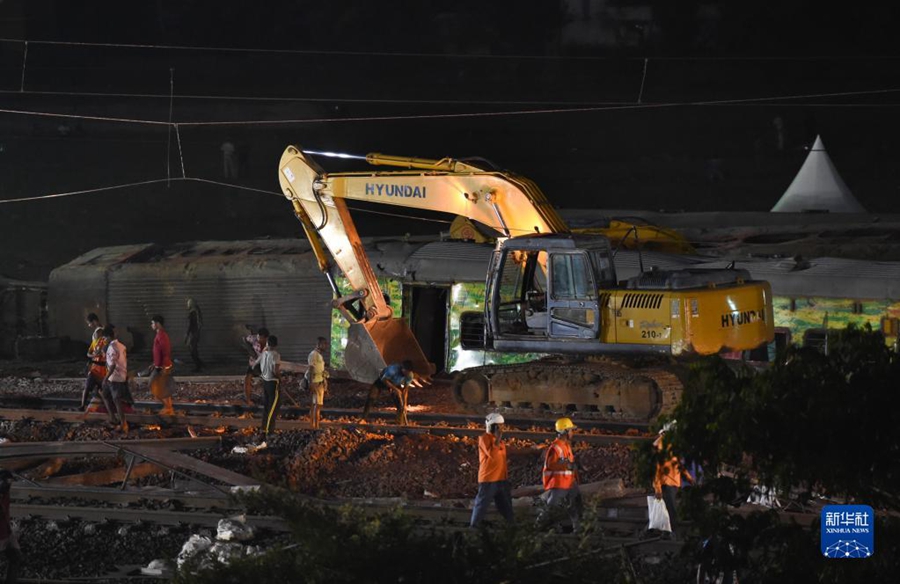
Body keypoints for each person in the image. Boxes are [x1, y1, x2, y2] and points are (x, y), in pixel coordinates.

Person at [537, 417, 583, 532]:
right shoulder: (556, 447)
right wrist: (567, 465)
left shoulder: (566, 446)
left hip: (569, 482)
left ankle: (578, 528)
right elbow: (551, 464)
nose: (572, 433)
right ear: (565, 432)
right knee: (552, 507)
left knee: (575, 505)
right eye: (571, 430)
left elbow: (569, 464)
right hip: (560, 483)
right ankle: (537, 527)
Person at [469, 413, 514, 527]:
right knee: (481, 505)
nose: (503, 428)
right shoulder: (484, 439)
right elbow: (492, 455)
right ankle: (473, 527)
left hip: (501, 479)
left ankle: (512, 527)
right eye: (500, 426)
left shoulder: (499, 442)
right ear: (494, 426)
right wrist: (498, 439)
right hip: (488, 479)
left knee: (506, 506)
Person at [653, 422, 694, 538]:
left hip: (674, 483)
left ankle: (667, 532)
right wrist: (658, 488)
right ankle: (674, 534)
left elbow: (678, 464)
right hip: (666, 483)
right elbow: (656, 470)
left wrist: (688, 477)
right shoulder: (661, 448)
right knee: (672, 511)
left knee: (670, 510)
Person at [142, 315, 175, 416]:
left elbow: (166, 352)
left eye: (152, 323)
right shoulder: (160, 335)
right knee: (163, 388)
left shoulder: (162, 335)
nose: (151, 325)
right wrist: (154, 363)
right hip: (159, 366)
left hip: (162, 367)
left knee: (152, 385)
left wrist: (164, 367)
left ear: (157, 324)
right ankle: (169, 409)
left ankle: (168, 407)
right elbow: (159, 352)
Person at [362, 360, 414, 424]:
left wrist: (405, 403)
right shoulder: (392, 370)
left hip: (395, 384)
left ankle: (399, 422)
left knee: (400, 404)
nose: (406, 374)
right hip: (382, 381)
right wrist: (395, 389)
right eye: (405, 371)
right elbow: (384, 380)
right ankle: (363, 418)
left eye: (408, 372)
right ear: (402, 369)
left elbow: (405, 390)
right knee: (371, 397)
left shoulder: (410, 375)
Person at [102, 325, 130, 434]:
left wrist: (106, 378)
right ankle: (113, 418)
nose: (104, 340)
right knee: (105, 394)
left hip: (114, 378)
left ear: (109, 337)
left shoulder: (111, 348)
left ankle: (124, 424)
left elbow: (112, 365)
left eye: (104, 338)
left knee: (117, 401)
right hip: (120, 375)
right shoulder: (121, 346)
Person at [81, 313, 108, 411]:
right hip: (102, 366)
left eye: (89, 323)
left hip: (97, 366)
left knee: (88, 386)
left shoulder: (98, 332)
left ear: (94, 321)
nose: (89, 325)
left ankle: (83, 406)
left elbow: (95, 351)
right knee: (101, 389)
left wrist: (91, 355)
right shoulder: (104, 330)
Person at [0, 469, 21, 583]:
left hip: (7, 533)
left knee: (16, 557)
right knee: (15, 557)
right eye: (8, 482)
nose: (10, 484)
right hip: (2, 534)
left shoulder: (5, 494)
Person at [259, 335, 281, 440]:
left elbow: (258, 365)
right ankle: (269, 431)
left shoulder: (264, 354)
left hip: (265, 381)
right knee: (273, 408)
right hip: (273, 382)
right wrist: (280, 378)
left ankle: (263, 429)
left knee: (267, 407)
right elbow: (276, 370)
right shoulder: (275, 355)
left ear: (267, 344)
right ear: (276, 345)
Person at [241, 327, 269, 406]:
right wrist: (250, 351)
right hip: (253, 363)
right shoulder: (253, 339)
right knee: (247, 379)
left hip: (263, 365)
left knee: (267, 382)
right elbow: (244, 339)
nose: (259, 339)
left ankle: (267, 400)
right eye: (258, 337)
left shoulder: (269, 345)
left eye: (261, 338)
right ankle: (248, 400)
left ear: (266, 338)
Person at [307, 336, 328, 430]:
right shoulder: (314, 355)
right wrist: (310, 383)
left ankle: (315, 425)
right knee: (317, 405)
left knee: (316, 405)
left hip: (319, 381)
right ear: (319, 345)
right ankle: (315, 426)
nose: (326, 346)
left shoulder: (318, 355)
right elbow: (311, 368)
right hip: (316, 382)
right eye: (324, 344)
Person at [184, 298, 204, 372]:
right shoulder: (196, 311)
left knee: (192, 350)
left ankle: (198, 366)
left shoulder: (193, 312)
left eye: (188, 303)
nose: (187, 305)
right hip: (196, 333)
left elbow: (191, 325)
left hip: (193, 334)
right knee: (193, 349)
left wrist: (187, 335)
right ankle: (200, 364)